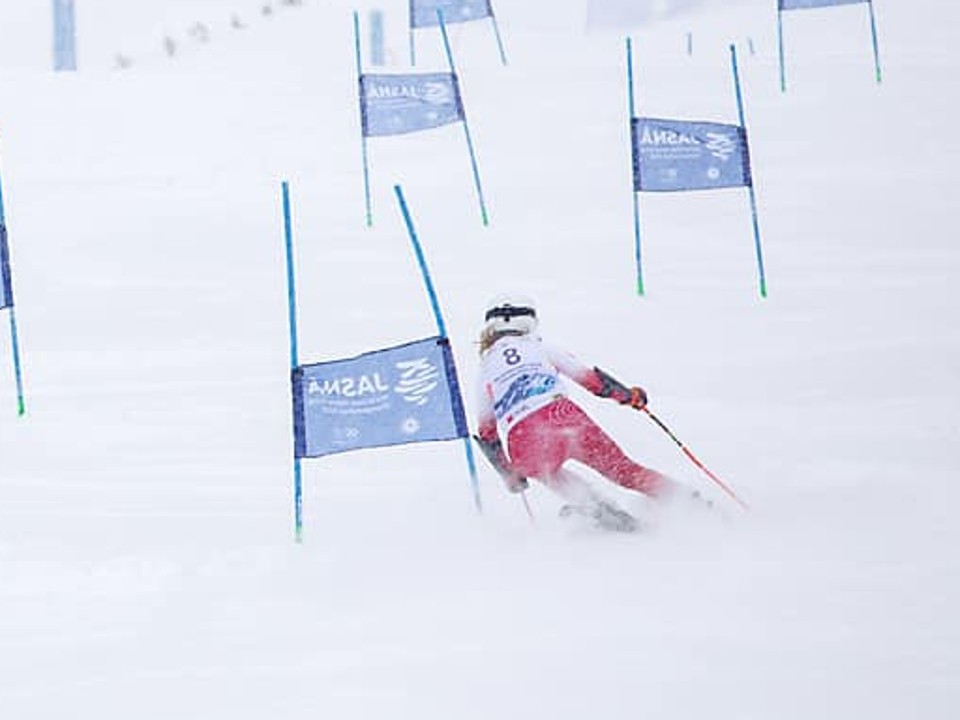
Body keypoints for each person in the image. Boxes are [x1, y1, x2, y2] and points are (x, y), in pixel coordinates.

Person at [475, 295, 685, 530]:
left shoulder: (485, 370)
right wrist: (628, 396)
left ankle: (600, 510)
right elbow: (592, 381)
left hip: (523, 438)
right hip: (562, 414)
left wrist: (508, 473)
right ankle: (686, 503)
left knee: (550, 474)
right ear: (529, 321)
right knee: (624, 471)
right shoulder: (538, 346)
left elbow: (487, 431)